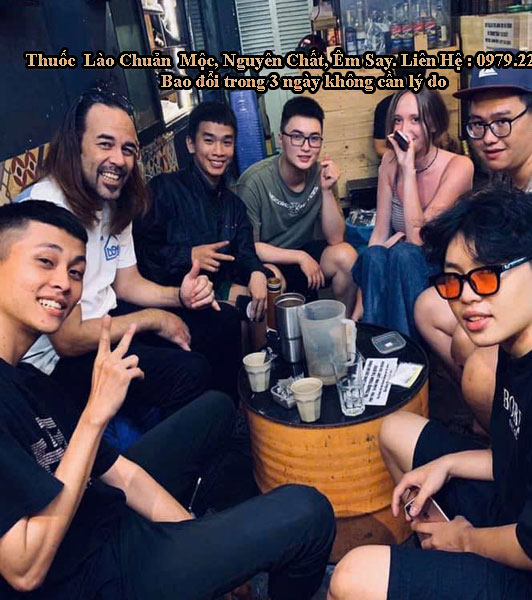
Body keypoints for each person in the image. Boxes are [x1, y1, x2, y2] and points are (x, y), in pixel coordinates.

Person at [0, 200, 336, 600]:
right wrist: (94, 415)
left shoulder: (30, 379)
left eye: (75, 271)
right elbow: (23, 570)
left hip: (107, 516)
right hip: (98, 575)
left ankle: (205, 532)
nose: (64, 284)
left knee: (216, 407)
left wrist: (202, 544)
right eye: (45, 262)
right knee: (309, 511)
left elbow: (121, 474)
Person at [328, 188, 532, 600]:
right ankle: (440, 562)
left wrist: (465, 540)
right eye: (454, 280)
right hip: (521, 512)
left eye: (487, 275)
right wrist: (448, 464)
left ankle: (448, 561)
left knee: (351, 576)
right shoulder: (518, 343)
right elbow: (523, 458)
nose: (468, 296)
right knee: (396, 430)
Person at [16, 87, 242, 406]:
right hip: (56, 361)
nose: (119, 160)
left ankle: (231, 420)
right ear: (76, 145)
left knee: (223, 322)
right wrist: (154, 318)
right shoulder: (47, 211)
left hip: (108, 320)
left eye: (128, 149)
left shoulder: (113, 201)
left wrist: (180, 296)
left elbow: (127, 283)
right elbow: (69, 339)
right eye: (105, 144)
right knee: (191, 371)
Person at [415, 63, 532, 385]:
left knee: (476, 363)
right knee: (427, 308)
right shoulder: (506, 167)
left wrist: (472, 335)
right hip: (514, 283)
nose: (488, 138)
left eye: (502, 122)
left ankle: (493, 400)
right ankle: (485, 404)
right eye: (478, 124)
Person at [133, 102, 273, 347]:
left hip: (215, 289)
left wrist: (256, 272)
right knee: (229, 318)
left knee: (270, 286)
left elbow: (245, 251)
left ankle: (264, 364)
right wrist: (187, 255)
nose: (218, 151)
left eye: (226, 142)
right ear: (191, 144)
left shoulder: (234, 205)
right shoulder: (164, 190)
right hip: (170, 296)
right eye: (209, 141)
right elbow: (142, 255)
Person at [351, 89, 473, 336]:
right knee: (373, 255)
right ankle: (372, 342)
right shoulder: (389, 162)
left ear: (434, 123)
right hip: (401, 260)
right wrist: (361, 300)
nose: (404, 129)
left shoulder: (459, 166)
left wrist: (408, 170)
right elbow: (379, 234)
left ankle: (407, 348)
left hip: (443, 267)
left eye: (415, 119)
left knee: (404, 253)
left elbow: (418, 240)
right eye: (398, 120)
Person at [236, 96, 358, 315]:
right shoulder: (254, 181)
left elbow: (336, 239)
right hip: (270, 258)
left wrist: (326, 190)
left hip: (308, 250)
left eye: (314, 138)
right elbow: (250, 246)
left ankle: (345, 327)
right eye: (297, 137)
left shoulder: (322, 174)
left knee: (346, 255)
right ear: (281, 139)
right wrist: (300, 257)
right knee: (270, 279)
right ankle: (278, 335)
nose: (306, 147)